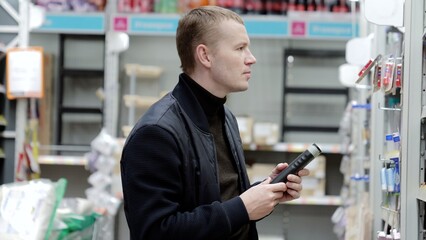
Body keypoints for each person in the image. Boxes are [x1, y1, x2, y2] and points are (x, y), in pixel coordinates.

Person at [120, 6, 310, 240]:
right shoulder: (157, 133)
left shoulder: (225, 118)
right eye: (240, 48)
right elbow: (154, 232)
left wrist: (265, 192)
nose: (251, 58)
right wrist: (242, 207)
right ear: (205, 56)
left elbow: (222, 204)